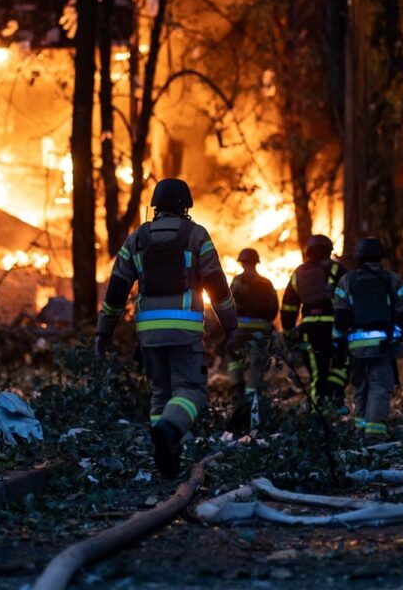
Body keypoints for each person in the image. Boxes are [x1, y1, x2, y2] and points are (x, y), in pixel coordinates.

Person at [95, 178, 237, 479]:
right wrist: (231, 326)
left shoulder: (137, 238)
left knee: (161, 394)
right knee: (192, 392)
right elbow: (217, 285)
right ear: (186, 207)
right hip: (184, 330)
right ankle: (168, 431)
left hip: (149, 332)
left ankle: (167, 455)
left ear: (155, 207)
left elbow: (117, 289)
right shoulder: (196, 235)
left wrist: (103, 332)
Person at [332, 237, 403, 439]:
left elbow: (341, 318)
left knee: (360, 387)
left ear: (358, 258)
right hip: (382, 344)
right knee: (380, 385)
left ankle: (360, 428)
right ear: (380, 257)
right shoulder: (391, 280)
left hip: (356, 346)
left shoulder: (347, 281)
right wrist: (397, 337)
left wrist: (338, 344)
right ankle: (374, 433)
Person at [280, 234, 347, 409]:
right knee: (342, 363)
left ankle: (318, 414)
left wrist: (288, 330)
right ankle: (334, 396)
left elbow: (289, 306)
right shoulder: (338, 269)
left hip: (309, 330)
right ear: (329, 251)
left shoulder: (299, 273)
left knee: (318, 373)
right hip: (335, 328)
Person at [225, 248, 278, 435]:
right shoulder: (266, 283)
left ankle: (237, 415)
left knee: (235, 370)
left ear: (241, 262)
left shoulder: (236, 282)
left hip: (236, 335)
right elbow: (273, 309)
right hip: (259, 335)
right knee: (254, 378)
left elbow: (227, 306)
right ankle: (252, 422)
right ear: (256, 262)